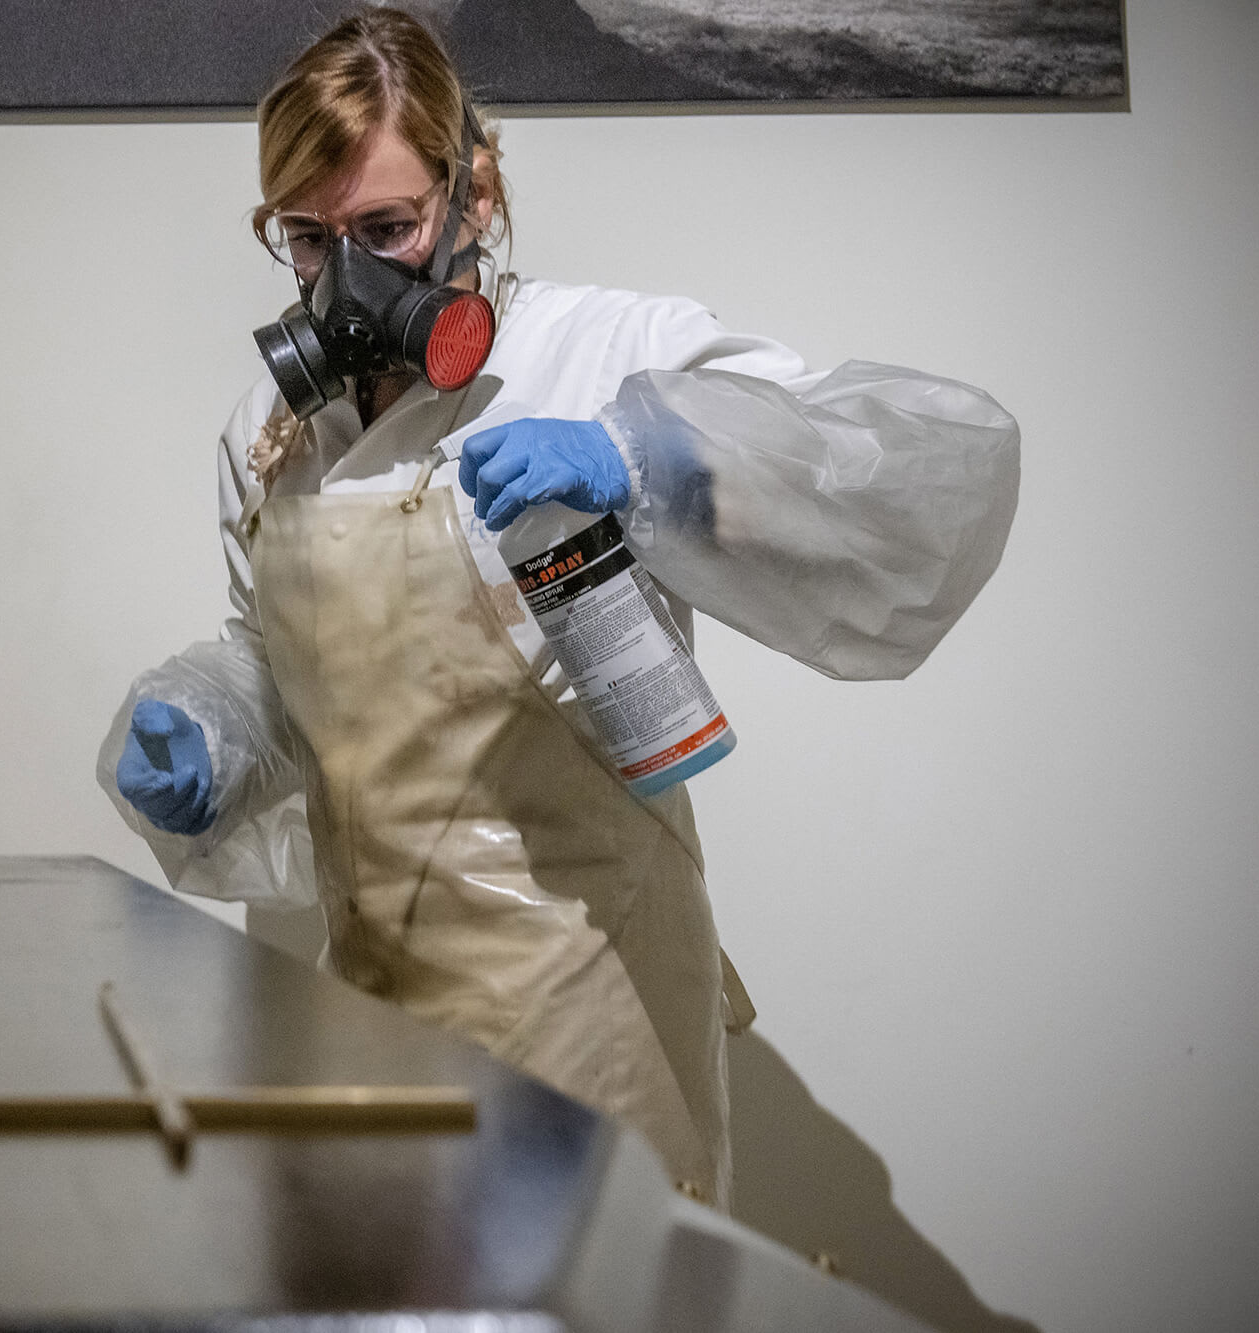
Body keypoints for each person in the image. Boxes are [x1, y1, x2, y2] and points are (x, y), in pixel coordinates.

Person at [99, 5, 1019, 1209]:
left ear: (471, 193)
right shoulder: (269, 438)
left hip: (596, 995)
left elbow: (902, 489)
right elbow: (294, 676)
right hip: (373, 995)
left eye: (387, 227)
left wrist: (646, 455)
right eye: (311, 243)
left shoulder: (607, 352)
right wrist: (214, 725)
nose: (348, 284)